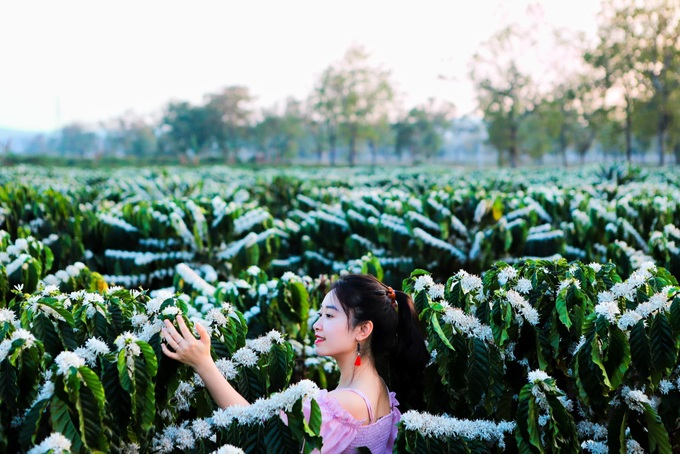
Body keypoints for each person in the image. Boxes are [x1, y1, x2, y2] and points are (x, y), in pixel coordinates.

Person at [161, 274, 428, 453]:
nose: (317, 325)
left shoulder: (344, 404)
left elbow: (260, 425)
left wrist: (203, 363)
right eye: (319, 313)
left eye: (330, 316)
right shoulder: (379, 387)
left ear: (363, 330)